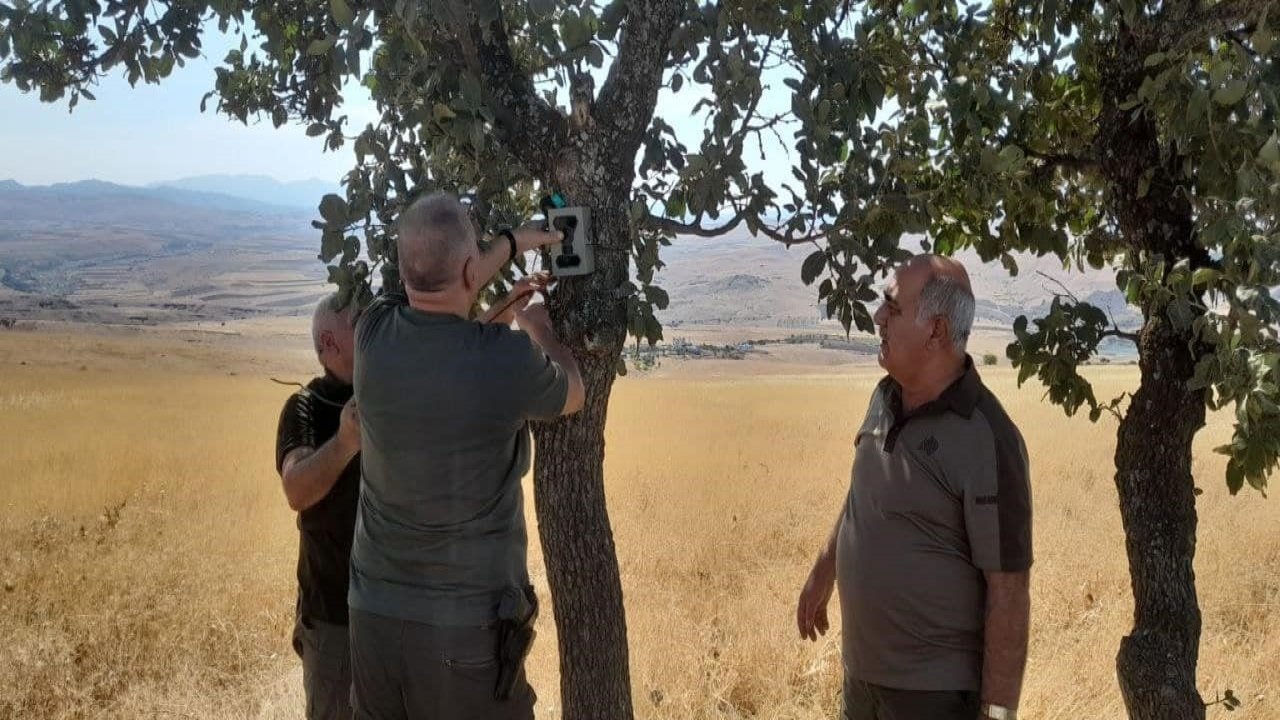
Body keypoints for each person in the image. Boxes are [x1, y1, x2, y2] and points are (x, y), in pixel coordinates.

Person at [349, 192, 584, 720]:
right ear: (471, 267)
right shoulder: (504, 361)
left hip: (373, 619)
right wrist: (538, 325)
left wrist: (509, 246)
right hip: (464, 630)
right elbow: (573, 392)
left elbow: (446, 336)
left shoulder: (372, 334)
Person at [796, 255, 1033, 720]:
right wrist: (825, 570)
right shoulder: (884, 396)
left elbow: (1009, 591)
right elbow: (863, 495)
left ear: (937, 331)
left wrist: (999, 714)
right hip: (861, 681)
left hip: (932, 698)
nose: (878, 317)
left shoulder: (988, 438)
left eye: (892, 308)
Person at [274, 295, 361, 720]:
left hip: (396, 609)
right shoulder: (305, 407)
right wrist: (345, 442)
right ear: (329, 343)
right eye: (359, 323)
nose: (372, 330)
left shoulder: (386, 396)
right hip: (334, 618)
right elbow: (296, 489)